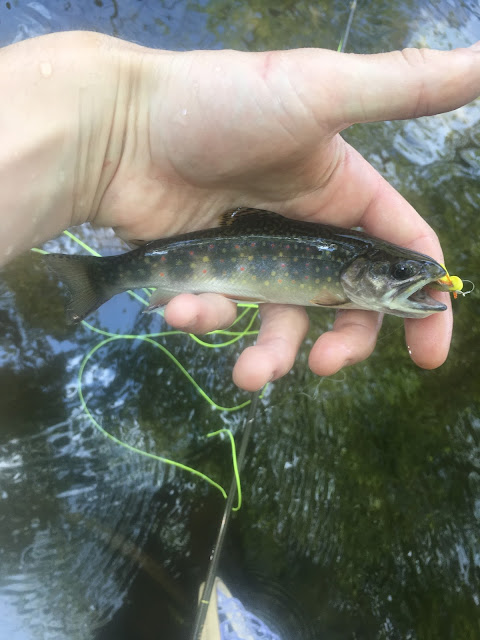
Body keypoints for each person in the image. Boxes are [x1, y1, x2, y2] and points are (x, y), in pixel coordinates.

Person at [1, 32, 479, 391]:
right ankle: (99, 278)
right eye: (397, 270)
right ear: (364, 268)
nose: (408, 277)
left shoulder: (347, 276)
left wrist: (117, 131)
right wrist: (118, 131)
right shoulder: (336, 282)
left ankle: (100, 277)